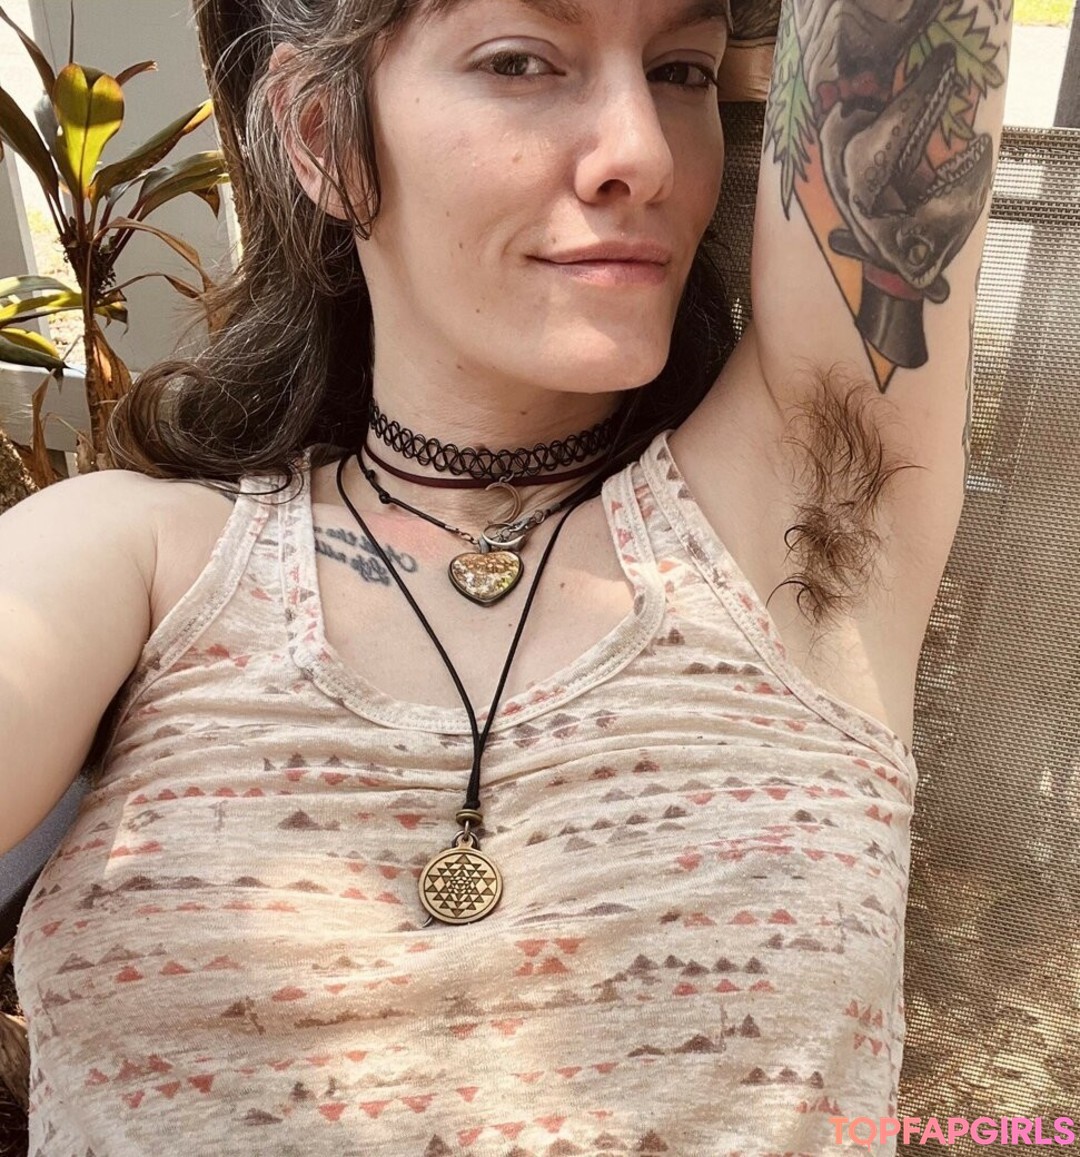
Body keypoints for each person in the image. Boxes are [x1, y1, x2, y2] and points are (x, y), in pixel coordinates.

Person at [1, 0, 1011, 1152]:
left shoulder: (806, 517)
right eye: (522, 62)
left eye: (683, 71)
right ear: (324, 133)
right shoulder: (132, 560)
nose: (643, 152)